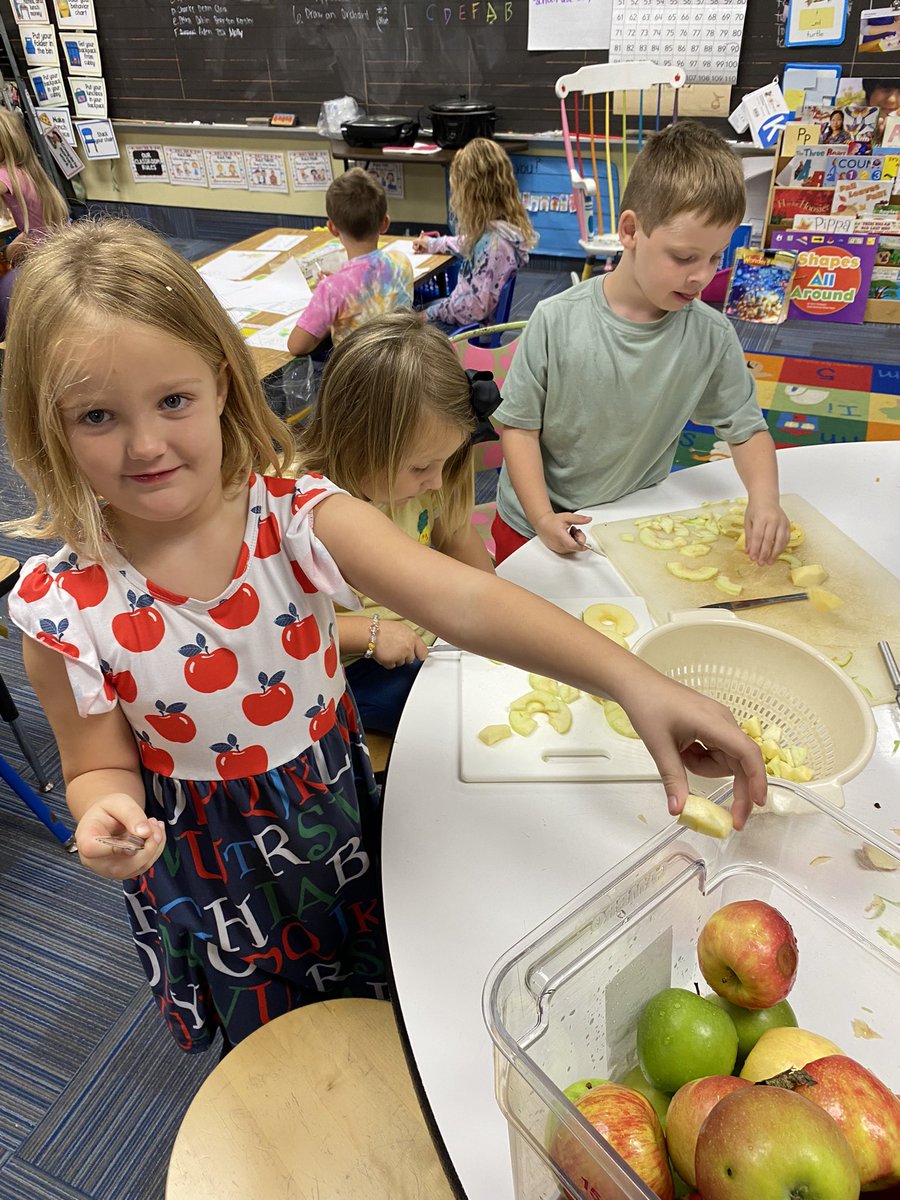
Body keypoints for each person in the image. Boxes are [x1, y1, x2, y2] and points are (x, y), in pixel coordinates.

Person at [2, 219, 767, 1056]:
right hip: (212, 870)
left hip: (331, 816)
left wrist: (633, 680)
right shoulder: (62, 611)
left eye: (172, 400)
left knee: (374, 993)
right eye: (98, 416)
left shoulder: (295, 517)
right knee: (278, 1050)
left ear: (220, 385)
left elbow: (463, 599)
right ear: (50, 428)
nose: (146, 444)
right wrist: (102, 812)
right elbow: (97, 764)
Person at [490, 121, 791, 568]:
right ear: (630, 230)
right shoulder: (555, 320)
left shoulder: (710, 335)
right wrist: (542, 517)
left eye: (715, 257)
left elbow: (746, 430)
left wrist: (765, 500)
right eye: (684, 257)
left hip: (627, 521)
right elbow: (519, 428)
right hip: (529, 525)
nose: (702, 276)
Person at [297, 311, 496, 735]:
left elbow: (459, 538)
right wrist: (367, 635)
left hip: (427, 639)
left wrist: (495, 610)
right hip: (346, 664)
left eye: (444, 463)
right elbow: (273, 630)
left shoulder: (425, 480)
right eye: (421, 467)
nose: (436, 481)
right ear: (358, 441)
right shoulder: (295, 509)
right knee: (455, 715)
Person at [412, 138, 537, 331]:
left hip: (468, 331)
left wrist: (430, 313)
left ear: (473, 195)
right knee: (414, 313)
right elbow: (467, 243)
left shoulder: (495, 246)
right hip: (465, 317)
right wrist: (433, 244)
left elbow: (475, 309)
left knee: (405, 326)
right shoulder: (497, 233)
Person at [286, 167, 413, 356]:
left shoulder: (332, 289)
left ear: (332, 228)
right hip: (401, 362)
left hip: (357, 371)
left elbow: (296, 346)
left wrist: (330, 305)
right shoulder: (401, 262)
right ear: (385, 223)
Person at [0, 106, 69, 334]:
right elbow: (39, 224)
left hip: (46, 250)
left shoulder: (6, 174)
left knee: (8, 293)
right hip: (56, 238)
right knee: (10, 252)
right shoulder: (26, 172)